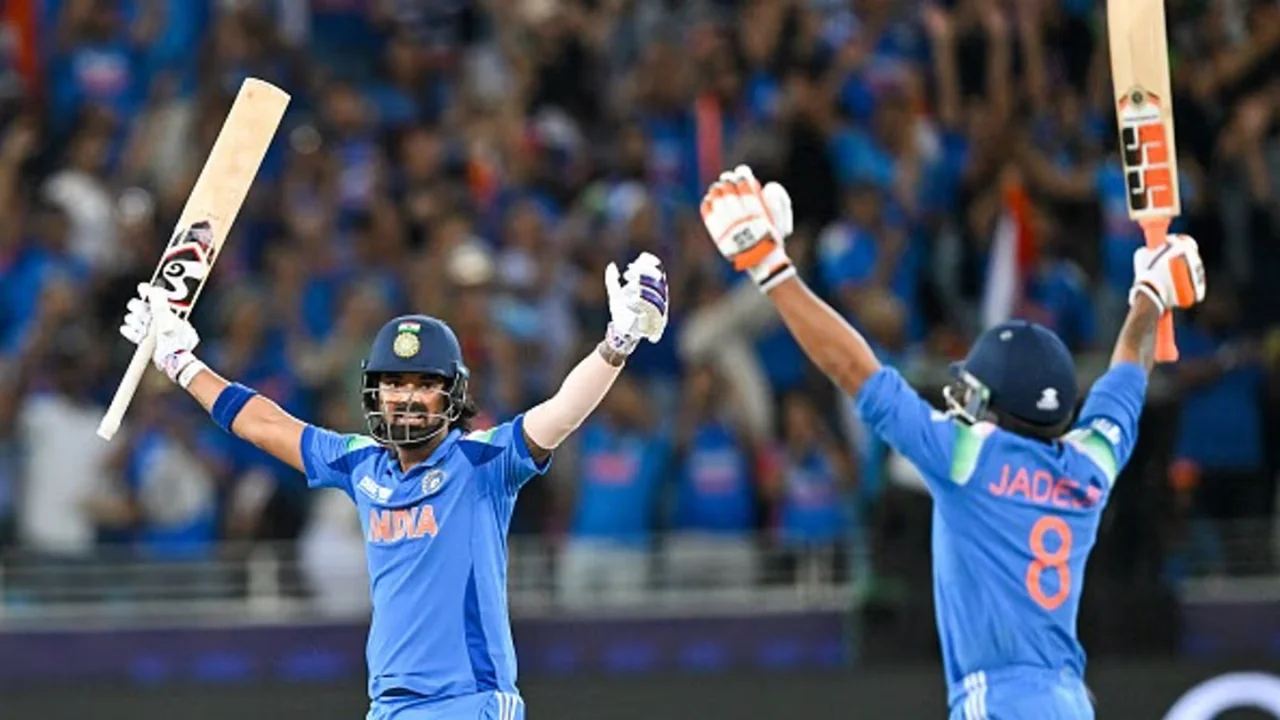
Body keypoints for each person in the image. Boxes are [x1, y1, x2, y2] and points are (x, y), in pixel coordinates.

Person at [699, 165, 1206, 719]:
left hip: (1000, 701)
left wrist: (769, 267)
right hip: (1066, 699)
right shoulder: (1090, 464)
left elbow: (853, 368)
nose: (961, 404)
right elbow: (1128, 375)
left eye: (973, 393)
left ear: (1000, 405)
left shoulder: (969, 459)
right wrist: (1152, 296)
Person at [117, 247, 670, 720]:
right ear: (373, 395)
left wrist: (616, 343)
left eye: (423, 385)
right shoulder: (362, 465)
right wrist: (179, 361)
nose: (406, 397)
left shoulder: (481, 463)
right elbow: (265, 424)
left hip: (470, 703)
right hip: (388, 708)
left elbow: (562, 412)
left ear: (451, 395)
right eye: (394, 384)